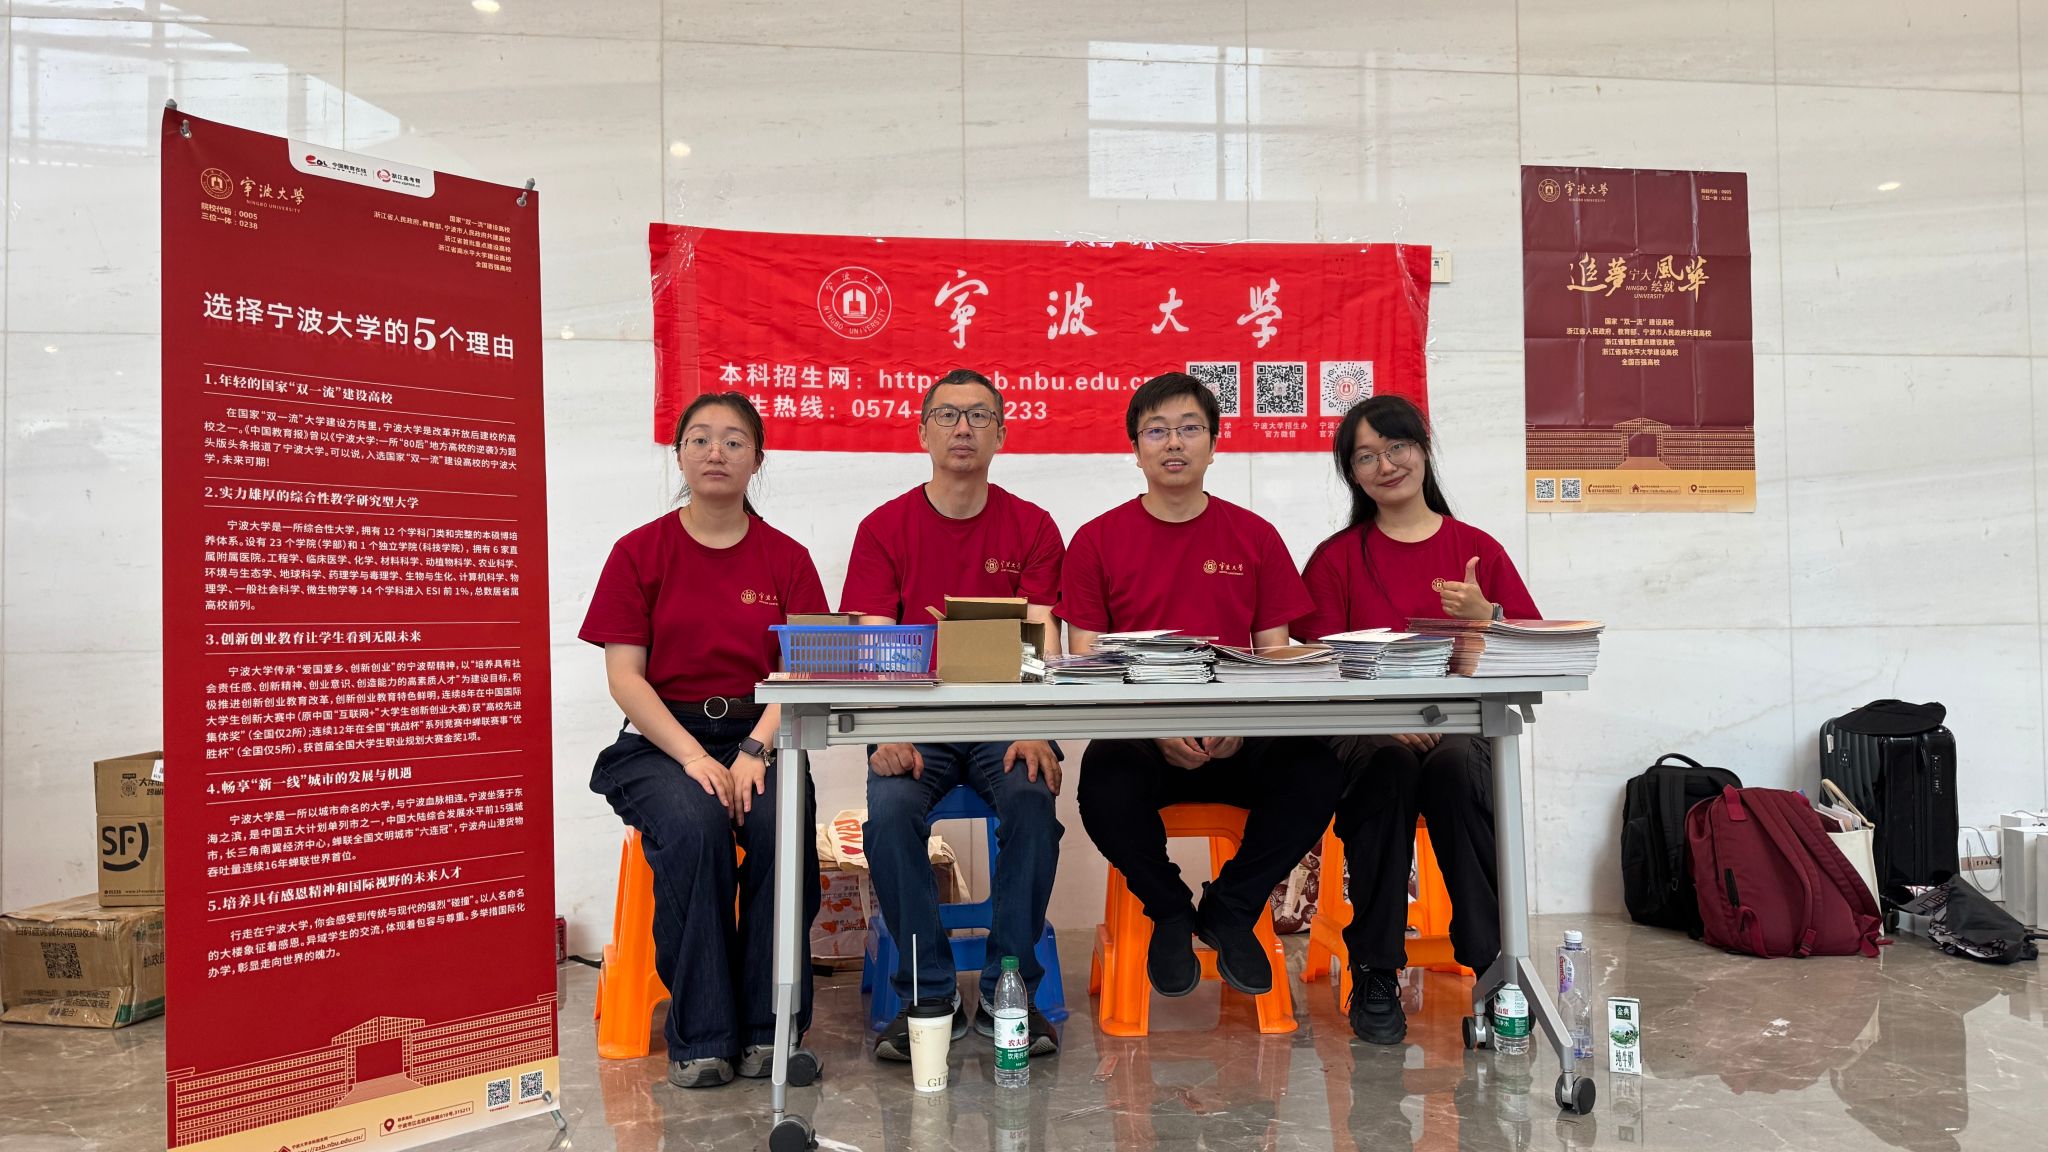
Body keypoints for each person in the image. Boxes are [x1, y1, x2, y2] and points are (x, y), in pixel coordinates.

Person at [1061, 371, 1345, 999]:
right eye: (1156, 431)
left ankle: (1232, 907)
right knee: (1103, 782)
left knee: (1315, 771)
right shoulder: (1096, 541)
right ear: (1135, 449)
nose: (1174, 443)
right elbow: (1086, 662)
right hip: (1143, 738)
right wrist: (1154, 728)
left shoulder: (1254, 536)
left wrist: (1243, 725)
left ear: (1214, 445)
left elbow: (1274, 656)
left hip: (1239, 737)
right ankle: (1168, 910)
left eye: (1189, 429)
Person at [580, 392, 830, 1089]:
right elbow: (625, 677)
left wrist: (755, 749)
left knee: (781, 828)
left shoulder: (787, 558)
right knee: (696, 827)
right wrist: (693, 757)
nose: (715, 452)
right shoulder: (639, 552)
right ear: (680, 455)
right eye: (699, 439)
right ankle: (705, 1034)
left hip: (762, 733)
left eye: (733, 440)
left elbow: (804, 669)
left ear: (757, 459)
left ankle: (771, 1030)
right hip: (663, 740)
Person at [1292, 395, 1540, 1046]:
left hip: (1460, 732)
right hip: (1367, 734)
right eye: (1365, 457)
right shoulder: (1337, 558)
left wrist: (1488, 617)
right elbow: (1315, 665)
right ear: (1352, 474)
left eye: (1396, 447)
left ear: (1423, 450)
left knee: (1455, 767)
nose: (1385, 465)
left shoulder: (1474, 549)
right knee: (1390, 765)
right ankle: (1376, 968)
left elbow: (1536, 652)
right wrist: (1381, 717)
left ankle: (1491, 963)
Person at [842, 369, 1067, 1060]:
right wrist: (887, 732)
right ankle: (928, 992)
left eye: (978, 416)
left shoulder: (1033, 526)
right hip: (915, 723)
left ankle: (1008, 989)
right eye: (946, 415)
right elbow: (872, 645)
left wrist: (1035, 725)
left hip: (1008, 719)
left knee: (1033, 803)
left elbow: (1043, 640)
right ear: (922, 432)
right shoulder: (884, 528)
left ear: (1002, 433)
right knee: (890, 814)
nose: (962, 428)